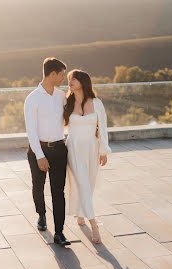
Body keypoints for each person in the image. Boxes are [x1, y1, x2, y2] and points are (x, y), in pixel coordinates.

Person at [24, 57, 71, 246]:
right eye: (61, 75)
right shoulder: (32, 99)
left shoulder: (61, 96)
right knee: (38, 186)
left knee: (58, 192)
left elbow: (73, 115)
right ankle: (41, 215)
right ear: (52, 74)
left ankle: (59, 233)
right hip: (38, 149)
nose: (63, 79)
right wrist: (40, 156)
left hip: (59, 148)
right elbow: (31, 131)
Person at [64, 69, 112, 244]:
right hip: (74, 148)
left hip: (91, 149)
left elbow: (103, 128)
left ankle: (81, 213)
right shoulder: (66, 102)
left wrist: (103, 151)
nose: (70, 81)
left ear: (83, 82)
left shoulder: (97, 103)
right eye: (69, 79)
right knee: (83, 184)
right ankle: (94, 225)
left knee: (88, 186)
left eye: (73, 79)